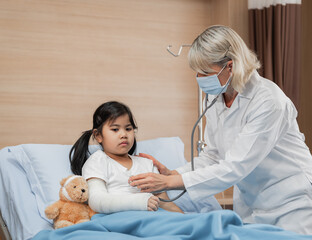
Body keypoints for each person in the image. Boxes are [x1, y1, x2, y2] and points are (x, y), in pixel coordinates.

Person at [129, 25, 312, 234]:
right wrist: (175, 173)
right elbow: (213, 156)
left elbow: (235, 166)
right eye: (197, 72)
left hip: (292, 203)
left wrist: (171, 182)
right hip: (253, 204)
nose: (199, 78)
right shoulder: (216, 98)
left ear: (230, 66)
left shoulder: (268, 100)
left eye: (205, 72)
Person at [69, 101, 182, 214]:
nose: (124, 135)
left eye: (128, 129)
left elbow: (165, 202)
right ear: (98, 135)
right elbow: (97, 201)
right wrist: (139, 202)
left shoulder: (147, 164)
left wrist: (184, 218)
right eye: (115, 129)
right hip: (114, 218)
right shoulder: (97, 162)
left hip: (151, 217)